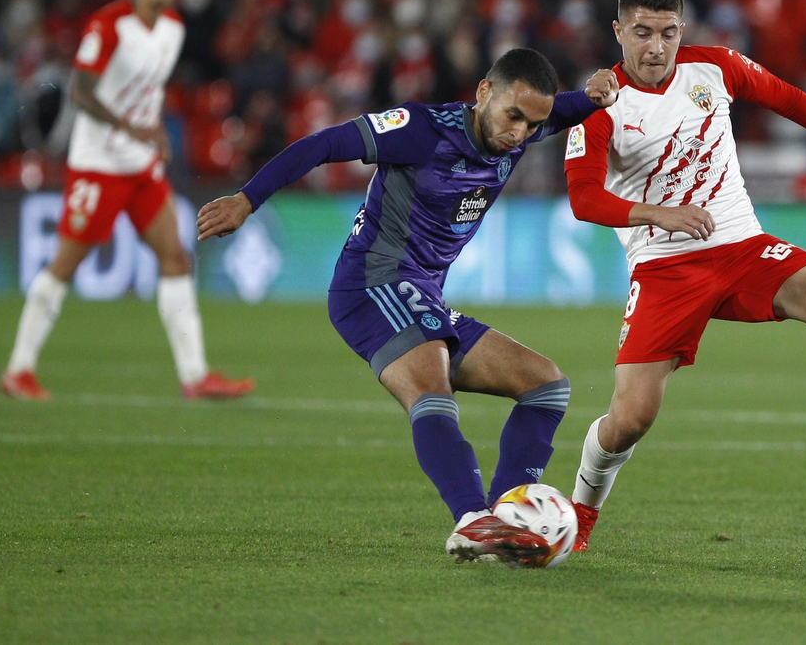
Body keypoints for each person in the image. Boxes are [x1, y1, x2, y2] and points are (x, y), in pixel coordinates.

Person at [194, 50, 619, 565]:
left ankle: (504, 518)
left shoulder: (520, 125)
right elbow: (325, 143)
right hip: (372, 284)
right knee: (431, 387)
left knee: (546, 387)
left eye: (533, 125)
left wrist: (593, 95)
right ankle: (471, 519)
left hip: (422, 296)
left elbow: (564, 109)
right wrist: (247, 199)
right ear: (484, 92)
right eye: (514, 117)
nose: (521, 133)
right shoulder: (420, 129)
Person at [563, 0, 806, 554]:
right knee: (630, 419)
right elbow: (584, 199)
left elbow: (784, 96)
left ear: (682, 29)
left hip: (741, 247)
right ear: (618, 31)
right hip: (664, 267)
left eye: (668, 32)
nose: (656, 47)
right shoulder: (599, 106)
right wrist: (659, 214)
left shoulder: (714, 68)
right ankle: (581, 511)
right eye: (642, 32)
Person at [2, 0, 253, 402]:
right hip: (98, 167)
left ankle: (195, 376)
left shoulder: (173, 28)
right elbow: (81, 92)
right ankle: (18, 370)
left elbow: (146, 89)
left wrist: (153, 128)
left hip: (140, 167)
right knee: (65, 264)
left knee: (175, 257)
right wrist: (130, 127)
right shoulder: (109, 25)